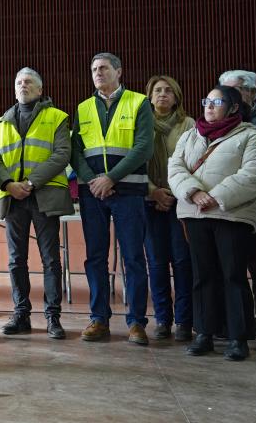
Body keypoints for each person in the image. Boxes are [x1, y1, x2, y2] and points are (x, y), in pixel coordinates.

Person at [168, 85, 256, 360]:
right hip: (196, 214)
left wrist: (215, 197)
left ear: (234, 107)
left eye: (217, 102)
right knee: (203, 275)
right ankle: (204, 333)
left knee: (233, 276)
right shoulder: (191, 135)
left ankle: (238, 338)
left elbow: (254, 174)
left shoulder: (250, 136)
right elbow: (175, 168)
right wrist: (194, 193)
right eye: (206, 101)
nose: (208, 106)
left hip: (232, 214)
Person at [71, 53, 154, 345]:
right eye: (93, 69)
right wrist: (94, 182)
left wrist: (112, 177)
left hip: (128, 191)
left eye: (103, 68)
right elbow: (75, 150)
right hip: (92, 193)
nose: (97, 73)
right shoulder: (82, 108)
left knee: (132, 257)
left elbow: (143, 146)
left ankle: (136, 323)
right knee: (95, 257)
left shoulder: (138, 102)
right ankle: (98, 319)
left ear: (119, 71)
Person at [0, 67, 74, 339]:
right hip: (13, 198)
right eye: (19, 82)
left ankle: (53, 317)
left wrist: (31, 183)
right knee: (16, 260)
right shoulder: (2, 122)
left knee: (51, 259)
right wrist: (8, 185)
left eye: (28, 82)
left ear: (40, 90)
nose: (23, 85)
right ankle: (21, 314)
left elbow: (62, 154)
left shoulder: (57, 117)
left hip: (44, 195)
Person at [143, 76, 195, 341]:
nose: (162, 94)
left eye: (168, 91)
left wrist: (173, 193)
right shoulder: (141, 124)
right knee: (157, 262)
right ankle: (163, 318)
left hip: (182, 202)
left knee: (183, 262)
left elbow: (195, 163)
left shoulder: (189, 125)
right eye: (157, 90)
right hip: (150, 201)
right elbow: (137, 162)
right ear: (150, 96)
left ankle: (186, 321)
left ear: (176, 97)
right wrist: (153, 191)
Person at [218, 70, 256, 344]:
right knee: (229, 270)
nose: (228, 98)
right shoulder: (211, 124)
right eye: (224, 91)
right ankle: (235, 325)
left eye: (235, 91)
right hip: (224, 208)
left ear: (252, 93)